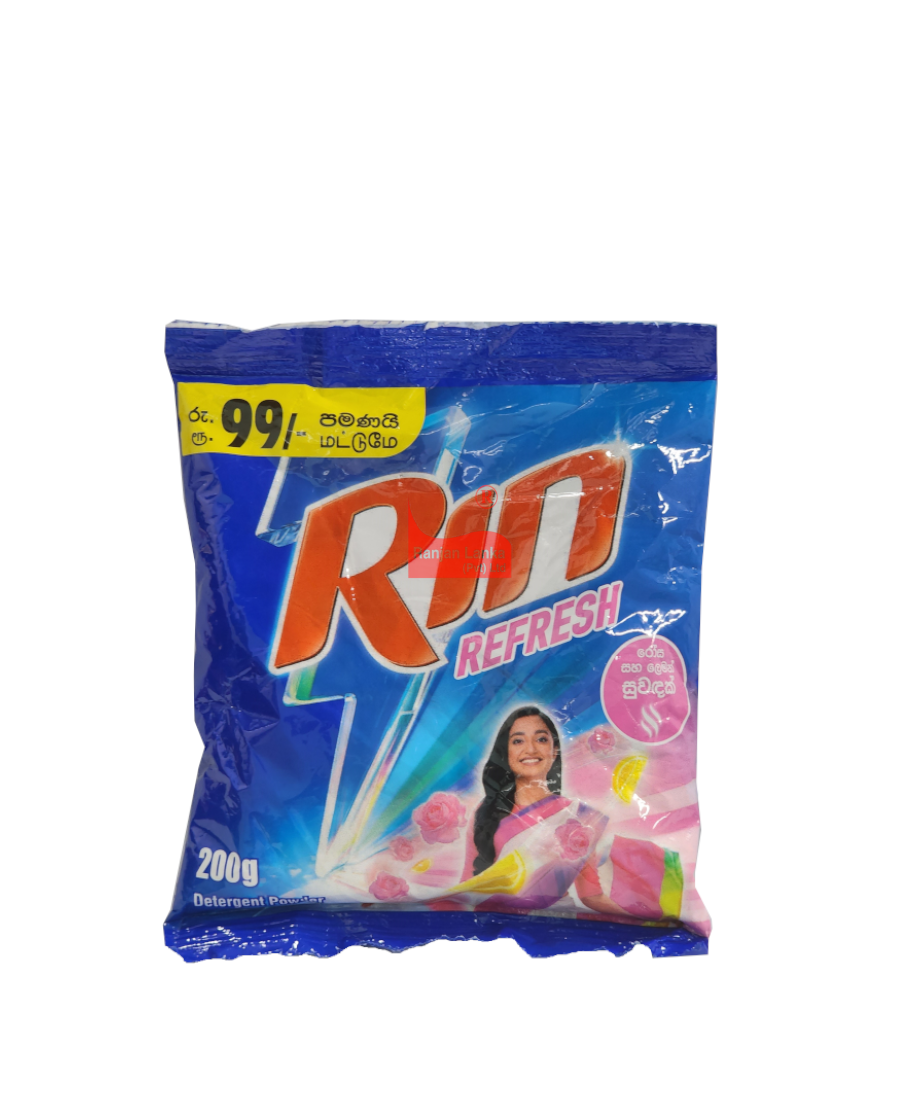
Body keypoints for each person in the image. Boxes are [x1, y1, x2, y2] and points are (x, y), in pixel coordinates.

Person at [457, 705, 626, 915]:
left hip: (556, 921)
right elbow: (467, 884)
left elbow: (591, 896)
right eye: (518, 741)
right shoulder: (486, 812)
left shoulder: (579, 816)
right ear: (505, 753)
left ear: (554, 751)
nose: (531, 749)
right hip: (496, 922)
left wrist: (646, 920)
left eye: (541, 739)